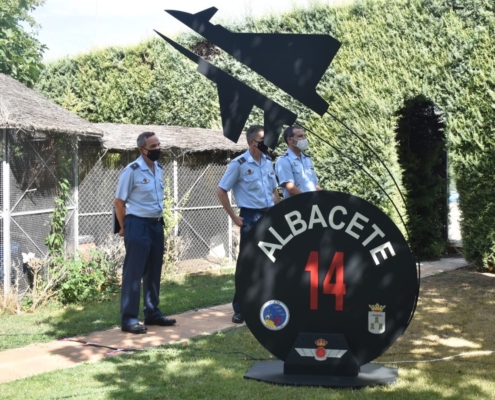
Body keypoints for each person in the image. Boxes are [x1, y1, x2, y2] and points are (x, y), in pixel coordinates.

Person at [216, 125, 280, 323]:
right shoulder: (239, 164)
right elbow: (221, 191)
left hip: (270, 216)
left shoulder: (269, 162)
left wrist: (279, 211)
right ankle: (241, 308)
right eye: (263, 140)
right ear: (253, 142)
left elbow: (274, 190)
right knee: (247, 262)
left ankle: (263, 303)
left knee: (271, 260)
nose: (267, 144)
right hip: (251, 217)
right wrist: (234, 217)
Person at [114, 131, 176, 334]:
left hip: (157, 224)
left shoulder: (158, 169)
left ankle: (152, 312)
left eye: (158, 145)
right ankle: (129, 319)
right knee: (134, 272)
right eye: (153, 147)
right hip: (137, 224)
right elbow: (119, 202)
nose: (158, 149)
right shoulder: (131, 171)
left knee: (154, 270)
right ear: (142, 150)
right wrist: (124, 227)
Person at [275, 125, 321, 198]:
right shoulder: (284, 161)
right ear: (290, 140)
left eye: (304, 136)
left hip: (314, 205)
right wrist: (310, 201)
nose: (304, 138)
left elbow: (316, 184)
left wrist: (321, 197)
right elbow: (291, 189)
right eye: (300, 136)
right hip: (298, 206)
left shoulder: (307, 159)